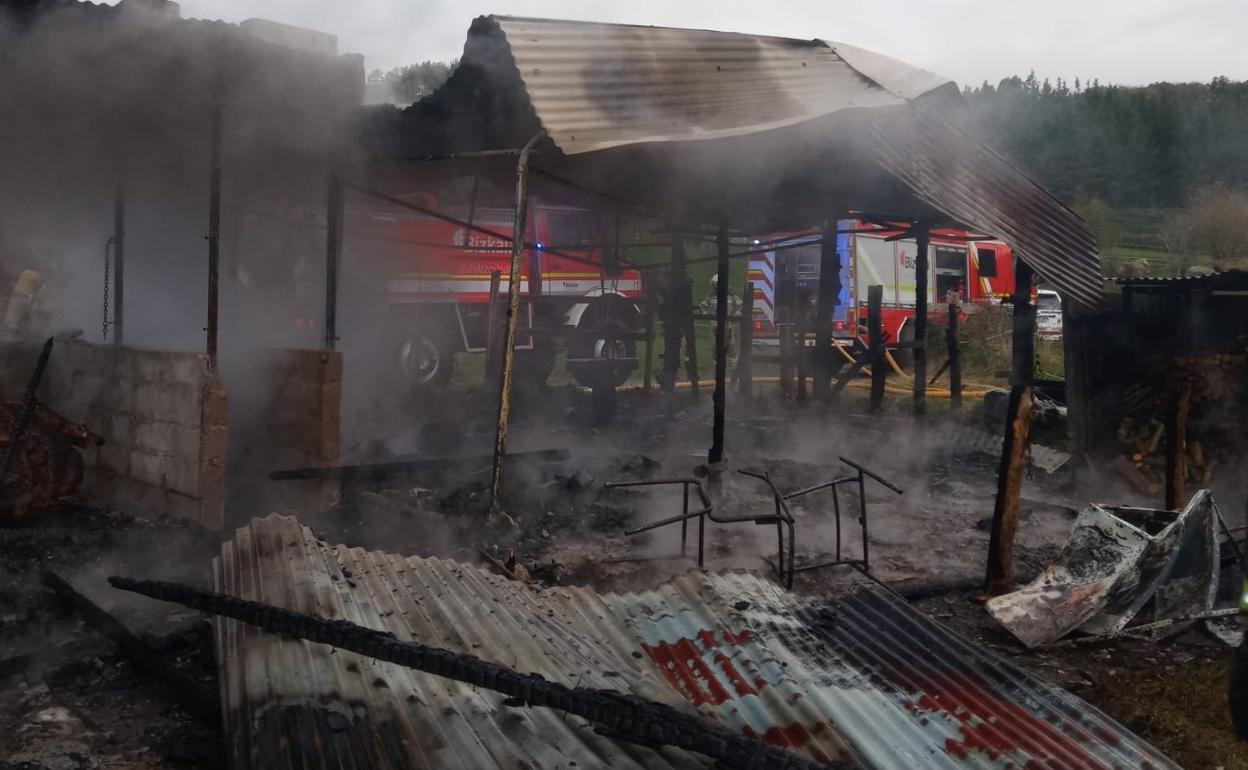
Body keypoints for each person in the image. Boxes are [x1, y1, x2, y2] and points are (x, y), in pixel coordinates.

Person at [699, 274, 742, 368]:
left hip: (728, 325)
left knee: (731, 346)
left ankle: (734, 368)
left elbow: (741, 305)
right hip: (715, 326)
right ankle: (718, 365)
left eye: (715, 284)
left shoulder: (731, 296)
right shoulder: (711, 297)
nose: (715, 287)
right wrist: (707, 315)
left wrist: (736, 314)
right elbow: (702, 306)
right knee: (714, 346)